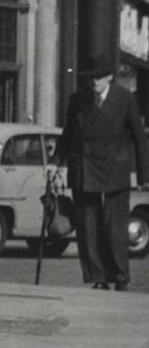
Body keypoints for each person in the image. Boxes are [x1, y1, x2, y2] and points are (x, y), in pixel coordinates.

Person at [55, 52, 149, 290]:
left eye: (99, 78)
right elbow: (68, 135)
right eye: (90, 79)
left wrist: (143, 176)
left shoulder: (124, 99)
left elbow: (139, 138)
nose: (94, 83)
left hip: (115, 171)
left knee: (114, 227)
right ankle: (97, 277)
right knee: (88, 228)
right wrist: (54, 162)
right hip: (84, 170)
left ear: (109, 77)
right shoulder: (77, 100)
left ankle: (120, 275)